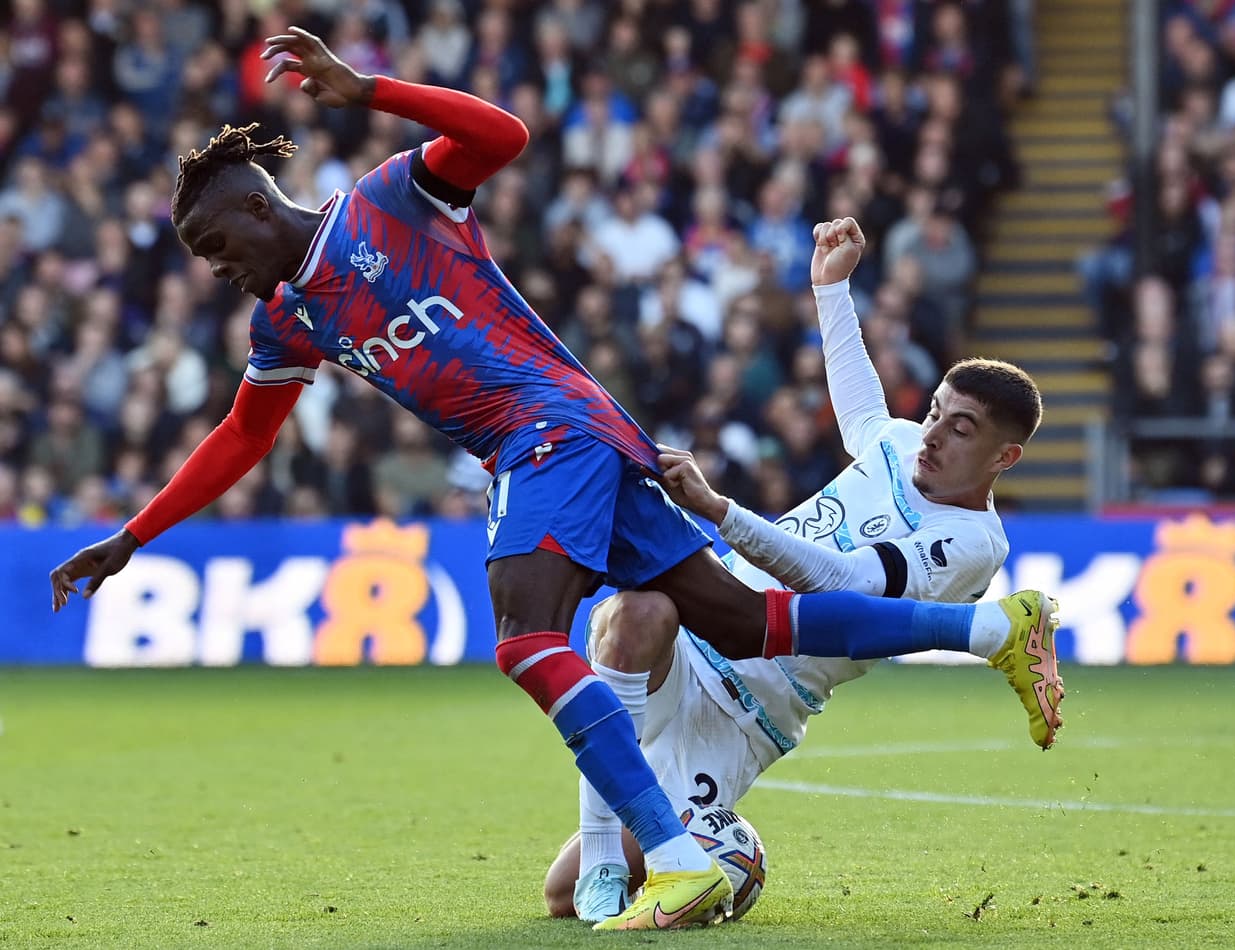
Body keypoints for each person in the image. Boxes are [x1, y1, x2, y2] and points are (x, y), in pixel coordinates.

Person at [47, 29, 1060, 931]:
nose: (216, 270)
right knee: (747, 623)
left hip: (549, 430)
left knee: (527, 638)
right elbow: (239, 433)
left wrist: (368, 91)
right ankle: (990, 630)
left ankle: (672, 859)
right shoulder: (288, 319)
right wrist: (135, 534)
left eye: (217, 245)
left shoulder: (388, 201)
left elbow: (502, 135)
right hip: (577, 444)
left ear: (260, 209)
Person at [545, 217, 1061, 922]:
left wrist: (722, 512)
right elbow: (862, 415)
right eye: (937, 411)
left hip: (749, 712)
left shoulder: (974, 542)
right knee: (636, 611)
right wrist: (831, 289)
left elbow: (843, 586)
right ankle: (614, 856)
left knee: (556, 899)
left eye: (961, 428)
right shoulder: (903, 442)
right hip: (692, 649)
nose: (933, 435)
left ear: (1005, 458)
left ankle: (732, 853)